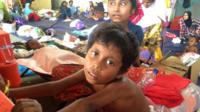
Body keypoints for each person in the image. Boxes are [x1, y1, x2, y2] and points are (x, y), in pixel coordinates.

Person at [2, 23, 149, 112]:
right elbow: (54, 87)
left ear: (121, 72)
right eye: (95, 53)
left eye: (110, 62)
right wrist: (8, 92)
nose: (96, 65)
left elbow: (85, 104)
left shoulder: (120, 87)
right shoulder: (90, 71)